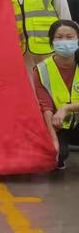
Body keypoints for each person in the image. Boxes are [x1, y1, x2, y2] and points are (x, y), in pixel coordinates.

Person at [33, 20, 79, 169]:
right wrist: (54, 141)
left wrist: (67, 108)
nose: (64, 41)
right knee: (59, 155)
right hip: (58, 125)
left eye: (70, 37)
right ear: (52, 42)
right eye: (59, 37)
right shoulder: (42, 70)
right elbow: (46, 107)